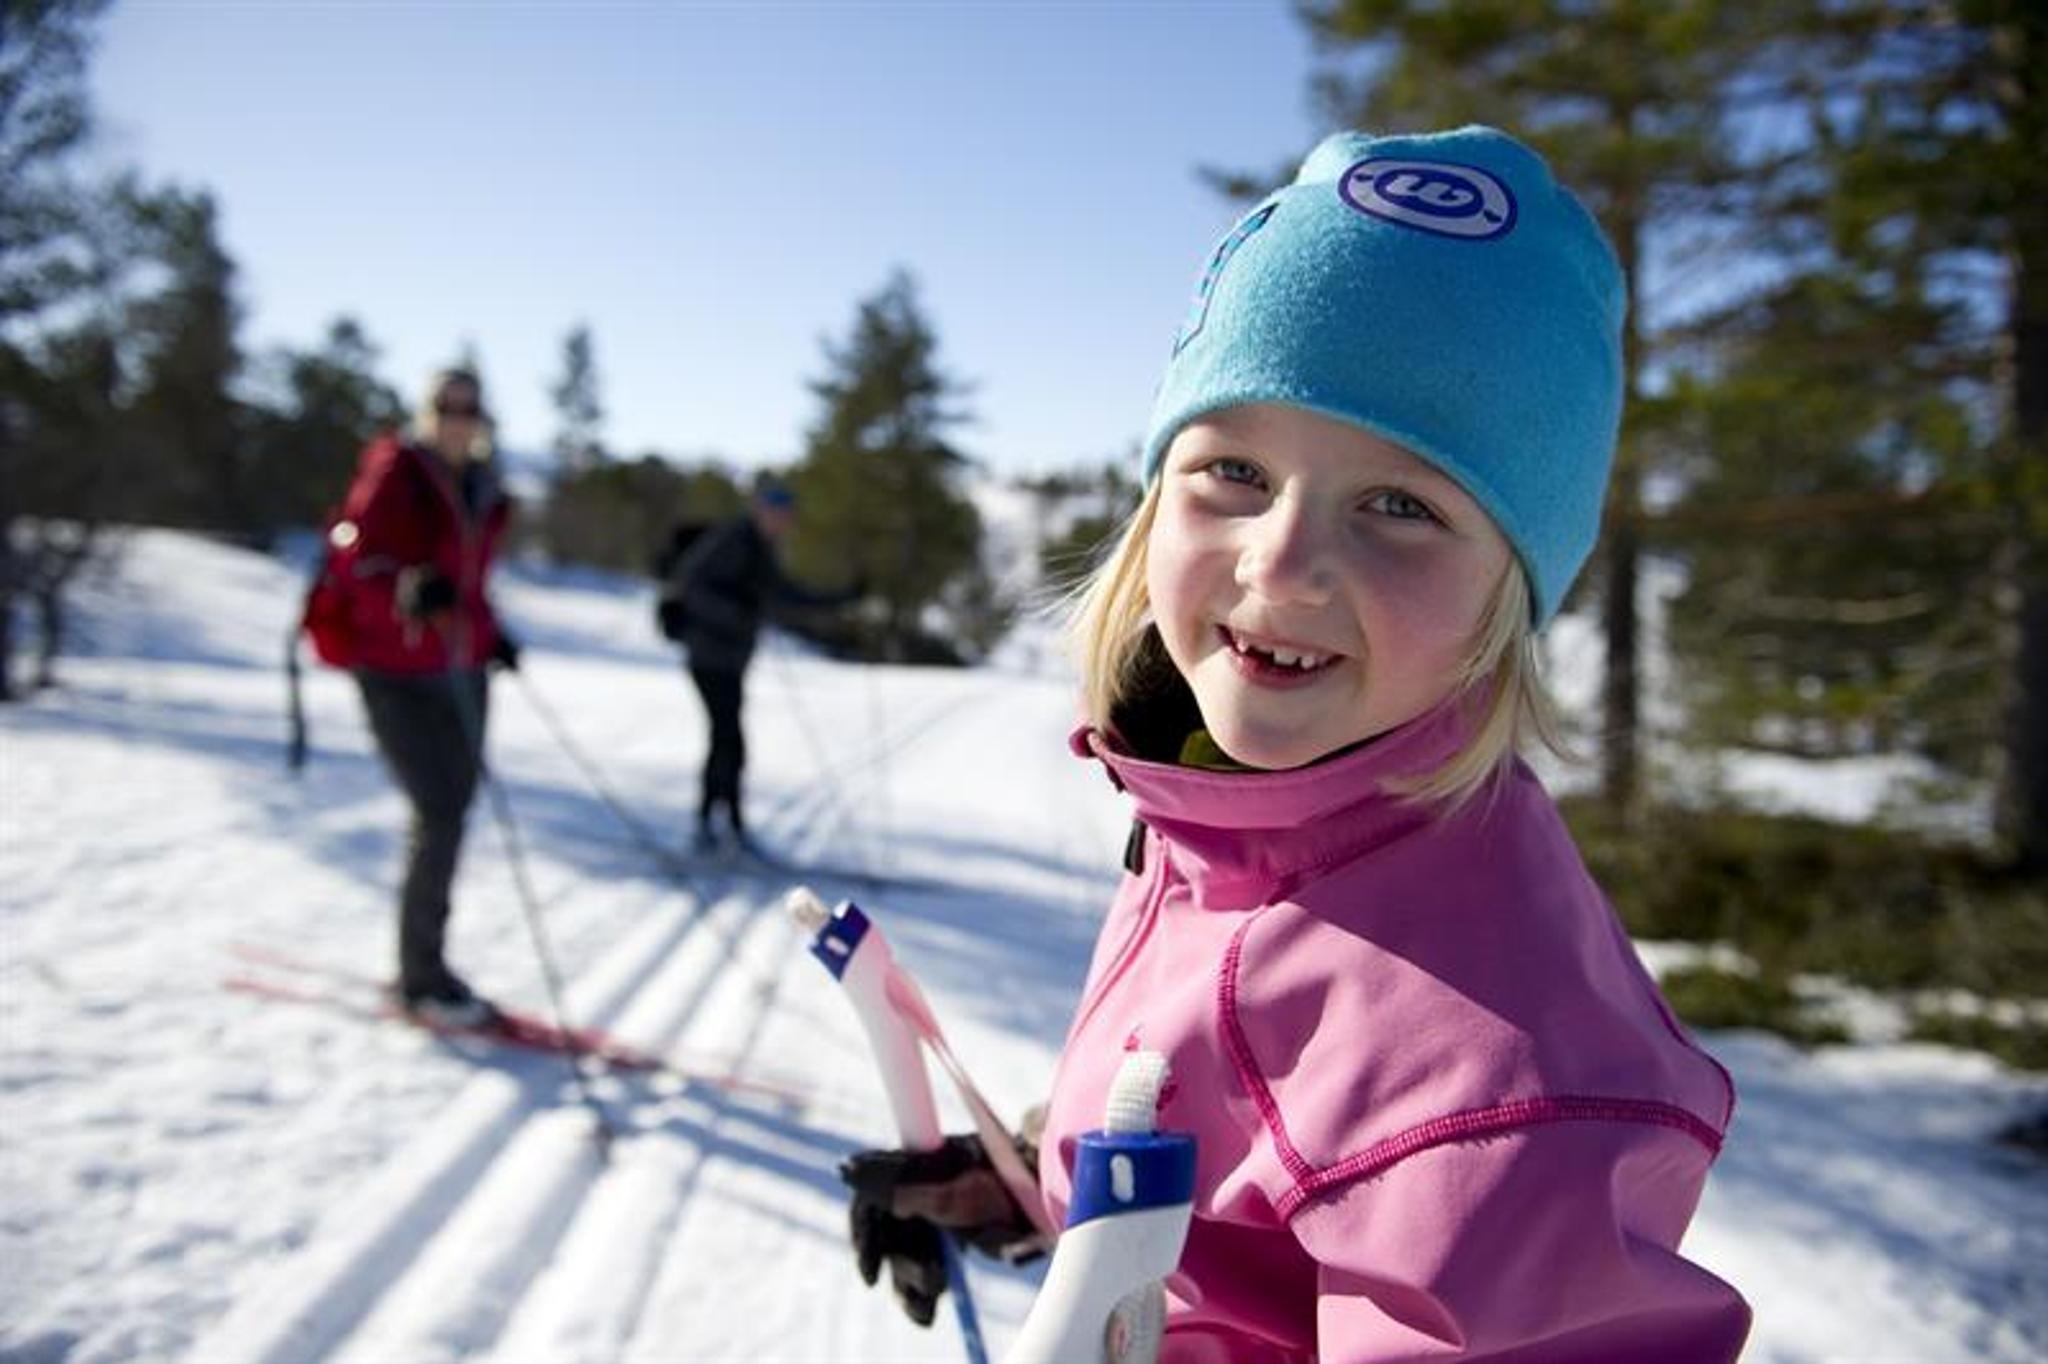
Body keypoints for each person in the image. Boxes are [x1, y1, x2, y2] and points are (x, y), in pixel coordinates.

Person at [840, 127, 1752, 1360]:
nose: (1281, 560)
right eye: (1232, 469)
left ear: (1512, 590)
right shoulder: (1237, 810)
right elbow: (1254, 1135)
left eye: (1399, 505)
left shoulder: (1495, 1092)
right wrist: (1043, 1188)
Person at [317, 367, 517, 1028]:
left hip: (460, 669)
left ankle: (426, 964)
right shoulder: (397, 471)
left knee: (453, 811)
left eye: (468, 407)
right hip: (394, 669)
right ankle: (419, 976)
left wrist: (493, 637)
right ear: (426, 411)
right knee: (437, 812)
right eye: (445, 405)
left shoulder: (483, 485)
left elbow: (468, 586)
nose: (457, 417)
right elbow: (358, 560)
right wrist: (406, 586)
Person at [661, 473, 857, 856]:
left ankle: (724, 826)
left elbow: (787, 594)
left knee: (728, 740)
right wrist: (738, 612)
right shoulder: (734, 540)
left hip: (730, 658)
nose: (783, 520)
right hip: (709, 656)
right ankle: (715, 827)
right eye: (778, 511)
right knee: (727, 739)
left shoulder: (761, 548)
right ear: (761, 509)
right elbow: (692, 585)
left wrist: (840, 599)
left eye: (787, 513)